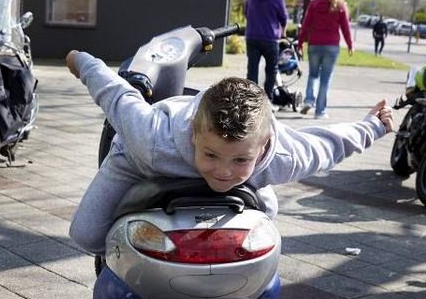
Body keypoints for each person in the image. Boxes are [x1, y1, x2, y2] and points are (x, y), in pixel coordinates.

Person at [63, 50, 394, 255]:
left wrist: (373, 125)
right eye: (211, 155)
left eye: (240, 159)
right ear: (194, 135)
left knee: (265, 220)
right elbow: (118, 96)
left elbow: (328, 144)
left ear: (263, 147)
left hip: (250, 183)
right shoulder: (152, 139)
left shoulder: (282, 157)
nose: (223, 171)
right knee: (87, 233)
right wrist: (82, 61)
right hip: (137, 165)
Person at [295, 0, 353, 119]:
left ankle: (309, 100)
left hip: (314, 44)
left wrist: (300, 42)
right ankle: (320, 111)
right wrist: (350, 44)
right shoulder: (340, 5)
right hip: (331, 45)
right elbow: (345, 28)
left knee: (313, 74)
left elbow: (306, 24)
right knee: (325, 79)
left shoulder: (314, 3)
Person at [244, 0, 289, 102]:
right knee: (271, 69)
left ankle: (251, 98)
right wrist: (283, 32)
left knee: (252, 69)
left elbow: (247, 13)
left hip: (252, 36)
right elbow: (283, 18)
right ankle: (267, 98)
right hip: (270, 38)